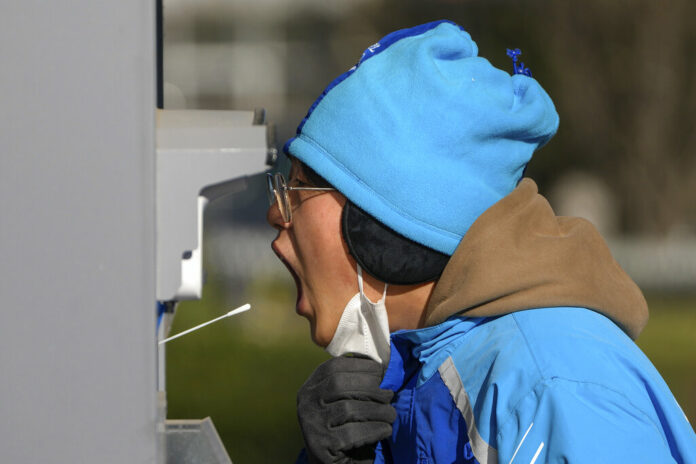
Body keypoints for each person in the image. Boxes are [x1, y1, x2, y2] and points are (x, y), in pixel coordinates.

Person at [266, 20, 696, 463]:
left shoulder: (551, 384)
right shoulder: (425, 369)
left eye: (298, 187)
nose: (275, 213)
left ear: (384, 222)